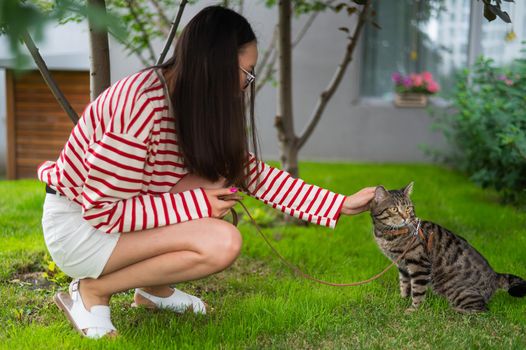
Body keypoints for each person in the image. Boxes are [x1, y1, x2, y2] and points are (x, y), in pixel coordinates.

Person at [38, 5, 376, 339]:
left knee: (221, 180)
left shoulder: (186, 101)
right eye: (247, 73)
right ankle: (93, 292)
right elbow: (102, 211)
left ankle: (152, 290)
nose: (247, 85)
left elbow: (249, 173)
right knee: (222, 242)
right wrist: (198, 205)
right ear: (215, 63)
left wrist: (338, 204)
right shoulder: (139, 105)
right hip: (79, 228)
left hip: (113, 218)